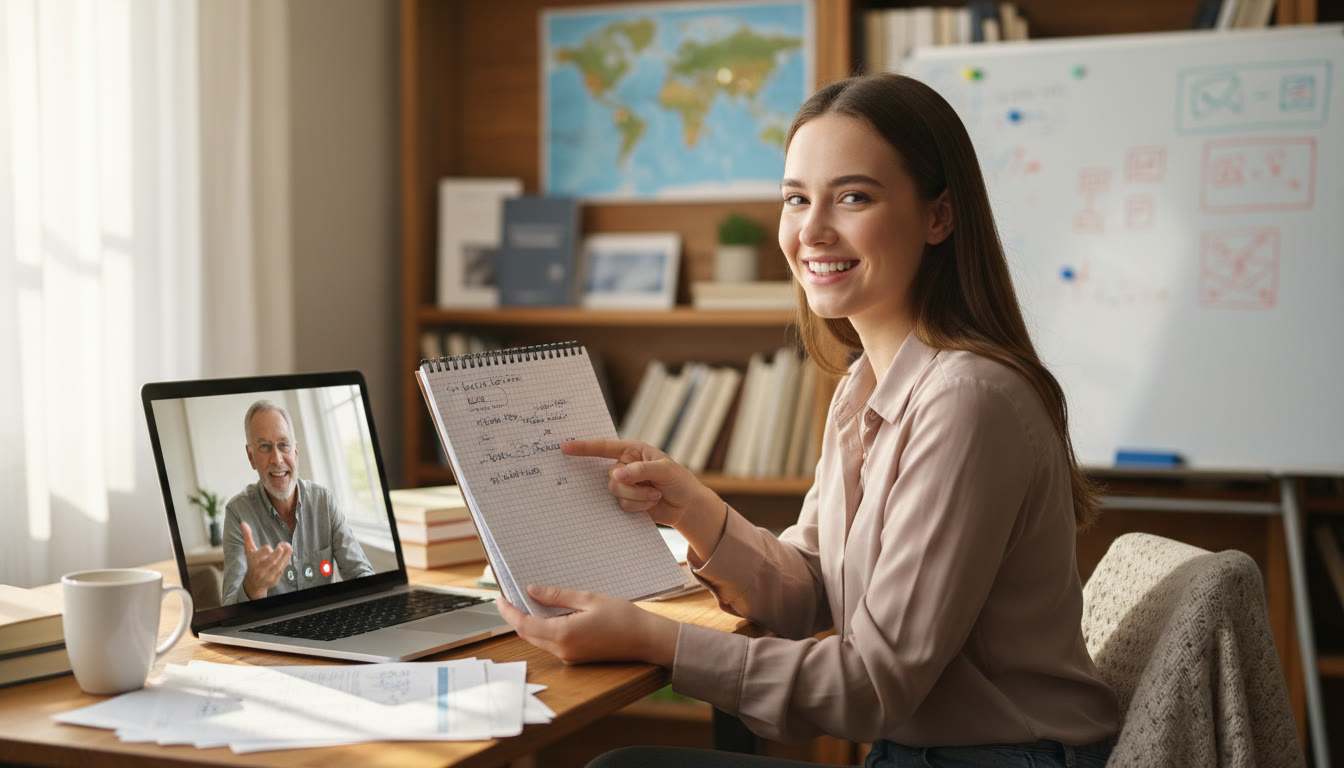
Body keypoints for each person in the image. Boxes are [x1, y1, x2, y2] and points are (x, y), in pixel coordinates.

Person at [495, 73, 1120, 768]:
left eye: (853, 197)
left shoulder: (967, 400)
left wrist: (653, 641)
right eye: (797, 199)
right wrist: (695, 510)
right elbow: (813, 591)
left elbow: (871, 687)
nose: (812, 230)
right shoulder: (864, 383)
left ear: (939, 216)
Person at [221, 399, 374, 605]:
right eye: (264, 447)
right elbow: (229, 607)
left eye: (283, 445)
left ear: (295, 451)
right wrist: (253, 588)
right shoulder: (237, 513)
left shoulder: (323, 501)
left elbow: (359, 572)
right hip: (273, 633)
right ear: (251, 457)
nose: (277, 459)